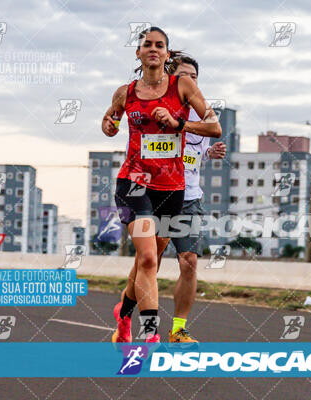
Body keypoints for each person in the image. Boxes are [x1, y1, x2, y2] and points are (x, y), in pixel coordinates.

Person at [101, 27, 221, 343]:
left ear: (167, 54)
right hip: (135, 181)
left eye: (160, 45)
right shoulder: (124, 92)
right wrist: (109, 125)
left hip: (171, 187)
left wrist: (177, 122)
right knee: (149, 260)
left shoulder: (182, 87)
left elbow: (214, 127)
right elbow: (109, 119)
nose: (153, 49)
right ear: (138, 53)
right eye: (147, 44)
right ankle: (151, 332)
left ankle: (123, 315)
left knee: (148, 259)